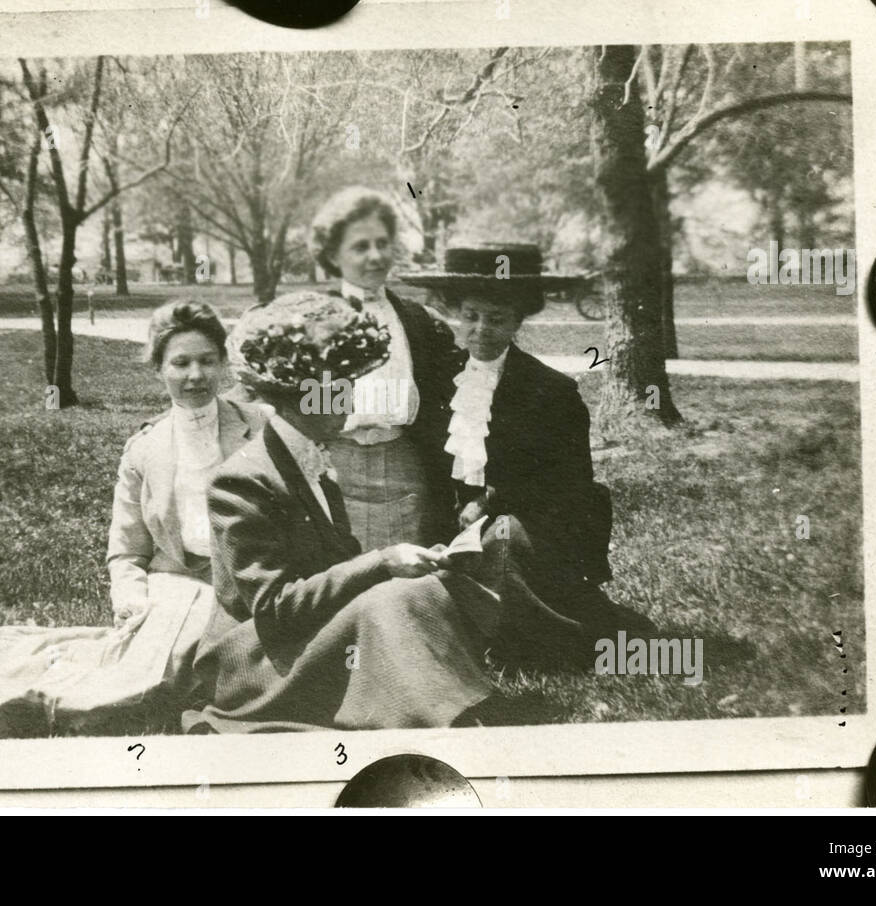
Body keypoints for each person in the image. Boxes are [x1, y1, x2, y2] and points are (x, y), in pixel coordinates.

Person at [0, 301, 269, 736]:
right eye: (181, 363)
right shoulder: (144, 449)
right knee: (159, 668)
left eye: (207, 361)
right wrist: (131, 596)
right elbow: (127, 550)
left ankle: (55, 704)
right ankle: (36, 698)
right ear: (158, 368)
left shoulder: (260, 428)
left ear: (224, 363)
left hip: (245, 582)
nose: (195, 376)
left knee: (185, 666)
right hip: (175, 583)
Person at [183, 291, 503, 733]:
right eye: (340, 392)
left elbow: (334, 571)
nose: (352, 404)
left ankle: (455, 709)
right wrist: (381, 562)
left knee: (419, 588)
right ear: (298, 396)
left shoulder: (311, 457)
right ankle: (442, 720)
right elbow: (275, 608)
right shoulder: (240, 480)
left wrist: (400, 564)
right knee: (395, 599)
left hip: (303, 635)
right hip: (257, 660)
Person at [401, 243, 655, 669]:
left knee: (501, 545)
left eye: (497, 319)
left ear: (518, 320)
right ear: (455, 314)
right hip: (449, 524)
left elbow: (569, 484)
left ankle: (535, 637)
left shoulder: (550, 391)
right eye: (470, 316)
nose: (481, 330)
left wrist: (491, 499)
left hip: (530, 524)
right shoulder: (437, 381)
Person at [307, 187, 459, 550]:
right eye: (360, 247)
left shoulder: (417, 320)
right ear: (333, 254)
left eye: (383, 244)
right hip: (336, 463)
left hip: (404, 462)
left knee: (410, 562)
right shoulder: (314, 319)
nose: (375, 256)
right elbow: (289, 397)